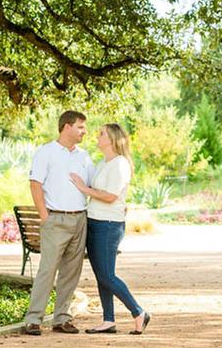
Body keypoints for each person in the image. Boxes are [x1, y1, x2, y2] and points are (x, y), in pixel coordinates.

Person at [69, 123, 150, 335]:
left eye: (101, 133)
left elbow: (111, 196)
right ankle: (108, 320)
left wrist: (84, 189)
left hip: (108, 225)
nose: (97, 135)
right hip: (95, 221)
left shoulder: (120, 164)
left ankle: (138, 312)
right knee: (102, 275)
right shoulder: (105, 162)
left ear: (113, 139)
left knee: (107, 276)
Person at [22, 110, 95, 336]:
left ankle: (62, 318)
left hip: (79, 218)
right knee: (47, 270)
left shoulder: (84, 156)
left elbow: (92, 185)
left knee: (71, 271)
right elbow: (35, 185)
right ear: (66, 127)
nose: (85, 131)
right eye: (80, 127)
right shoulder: (46, 152)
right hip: (55, 218)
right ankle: (33, 319)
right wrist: (45, 216)